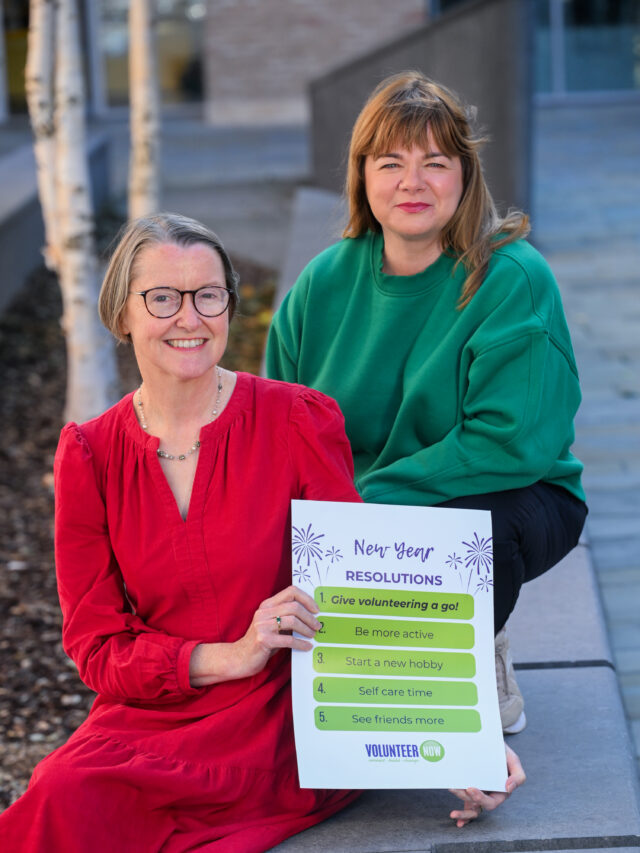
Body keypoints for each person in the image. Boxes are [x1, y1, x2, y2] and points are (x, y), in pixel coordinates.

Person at [0, 213, 524, 852]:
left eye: (208, 295)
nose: (189, 318)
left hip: (287, 712)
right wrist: (228, 654)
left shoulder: (296, 420)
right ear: (122, 314)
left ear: (229, 305)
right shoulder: (90, 454)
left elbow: (369, 594)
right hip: (159, 710)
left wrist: (457, 741)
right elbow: (97, 645)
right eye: (162, 298)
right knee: (60, 792)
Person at [266, 71, 588, 736]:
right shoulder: (324, 282)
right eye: (391, 163)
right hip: (357, 503)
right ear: (364, 176)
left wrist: (364, 499)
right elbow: (277, 424)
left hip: (511, 494)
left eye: (434, 163)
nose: (412, 183)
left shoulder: (513, 279)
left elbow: (509, 442)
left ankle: (478, 648)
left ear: (464, 176)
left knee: (475, 532)